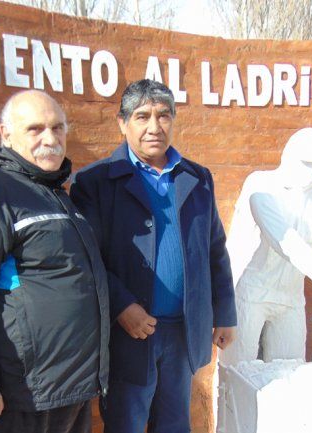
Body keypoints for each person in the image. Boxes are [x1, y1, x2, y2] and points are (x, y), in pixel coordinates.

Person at [70, 79, 237, 433]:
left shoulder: (196, 177)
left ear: (174, 120)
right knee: (126, 423)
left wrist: (224, 312)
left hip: (182, 331)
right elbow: (87, 258)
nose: (153, 127)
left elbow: (214, 250)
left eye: (163, 116)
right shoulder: (96, 181)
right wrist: (121, 306)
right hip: (130, 333)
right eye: (142, 116)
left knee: (175, 424)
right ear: (122, 123)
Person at [0, 90, 109, 433]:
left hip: (70, 388)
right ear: (6, 134)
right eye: (35, 129)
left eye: (58, 128)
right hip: (24, 395)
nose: (50, 139)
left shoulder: (54, 192)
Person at [219, 127, 312, 368]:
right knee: (237, 370)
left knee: (290, 370)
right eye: (307, 163)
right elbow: (284, 241)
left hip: (291, 295)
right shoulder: (260, 185)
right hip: (250, 290)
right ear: (289, 157)